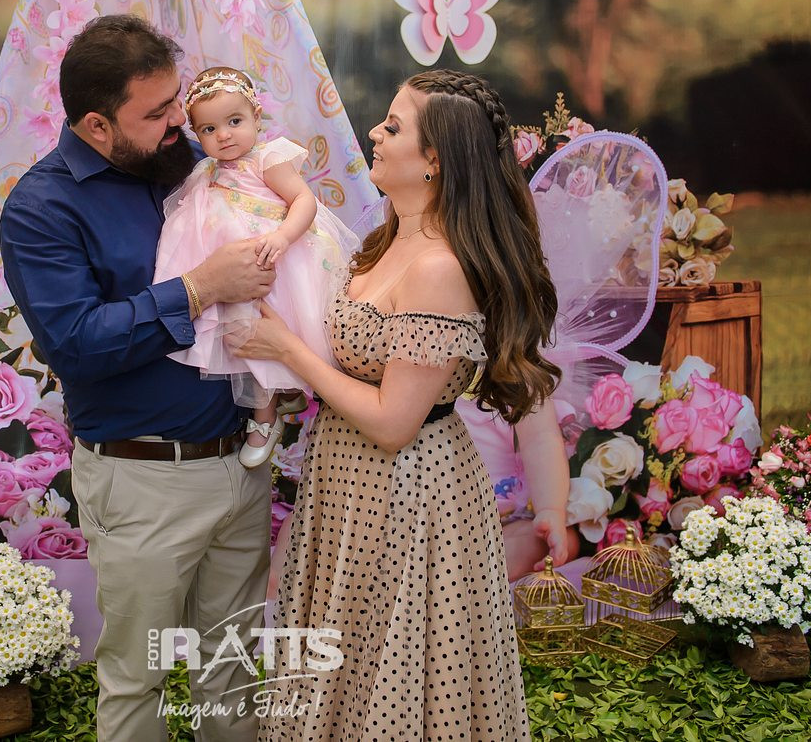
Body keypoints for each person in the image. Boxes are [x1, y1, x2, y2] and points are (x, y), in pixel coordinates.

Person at [234, 69, 566, 740]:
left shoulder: (439, 266)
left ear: (435, 158)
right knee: (343, 665)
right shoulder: (389, 239)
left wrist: (287, 350)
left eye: (392, 126)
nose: (375, 134)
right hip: (346, 481)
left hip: (407, 495)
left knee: (392, 673)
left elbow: (393, 422)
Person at [0, 14, 273, 742]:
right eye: (156, 113)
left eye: (176, 100)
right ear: (96, 124)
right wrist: (198, 289)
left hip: (241, 464)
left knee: (234, 672)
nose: (180, 121)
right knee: (136, 679)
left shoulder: (193, 161)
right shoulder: (42, 207)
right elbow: (76, 344)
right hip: (143, 479)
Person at [153, 66, 358, 468]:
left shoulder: (268, 159)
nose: (224, 135)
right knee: (239, 341)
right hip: (232, 272)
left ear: (256, 117)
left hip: (275, 262)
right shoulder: (205, 171)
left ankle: (264, 417)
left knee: (264, 331)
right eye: (209, 129)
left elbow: (304, 201)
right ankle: (279, 399)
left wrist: (282, 237)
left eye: (234, 121)